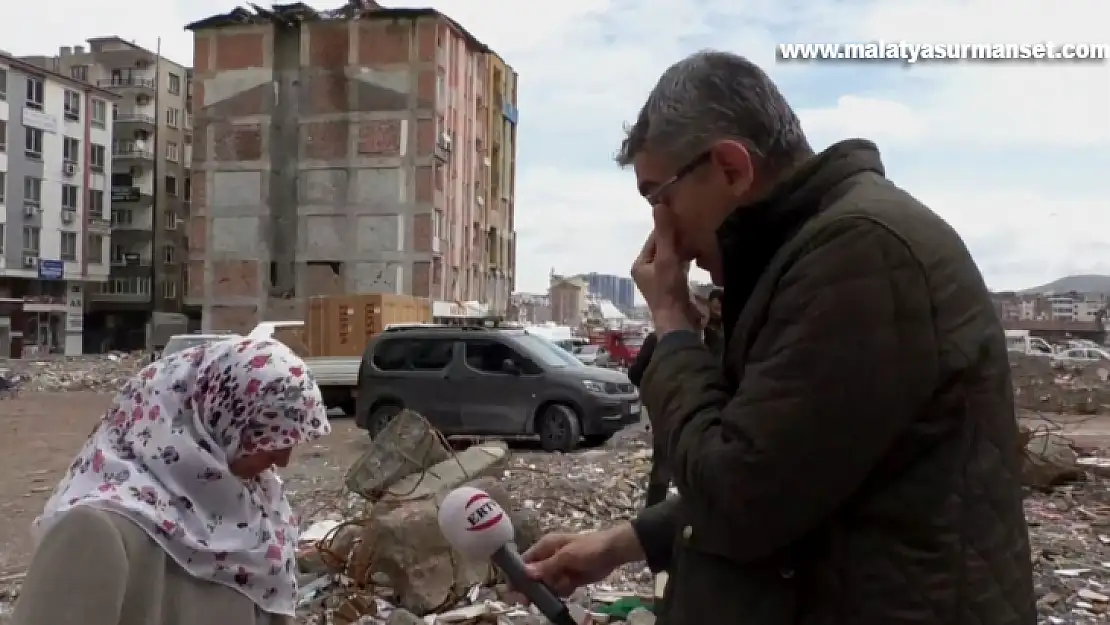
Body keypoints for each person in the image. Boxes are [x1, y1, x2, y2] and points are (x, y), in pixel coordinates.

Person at [522, 51, 1034, 625]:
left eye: (659, 197)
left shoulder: (858, 255)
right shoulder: (808, 256)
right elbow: (794, 471)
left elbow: (738, 496)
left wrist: (671, 323)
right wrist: (623, 542)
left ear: (731, 169)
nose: (661, 229)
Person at [14, 337, 331, 625]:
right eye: (268, 438)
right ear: (216, 421)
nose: (282, 460)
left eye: (290, 439)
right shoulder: (98, 531)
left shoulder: (260, 515)